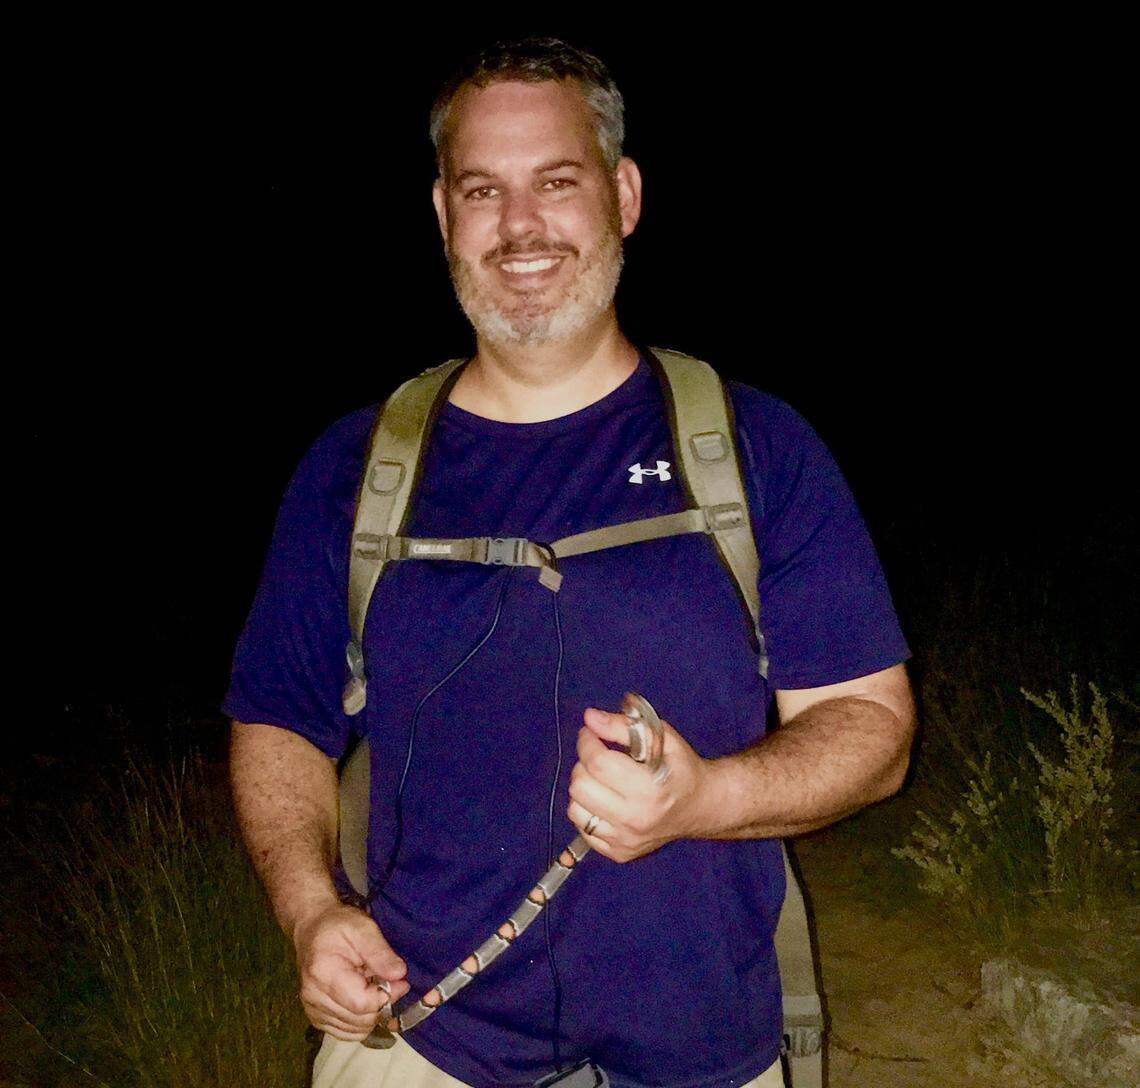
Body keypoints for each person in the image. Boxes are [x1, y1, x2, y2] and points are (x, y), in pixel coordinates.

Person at [225, 36, 915, 1088]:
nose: (520, 227)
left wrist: (706, 797)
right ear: (443, 215)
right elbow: (280, 717)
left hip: (707, 1048)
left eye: (556, 181)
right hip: (421, 1032)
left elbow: (874, 728)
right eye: (482, 190)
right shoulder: (354, 470)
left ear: (623, 194)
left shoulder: (755, 447)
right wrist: (312, 908)